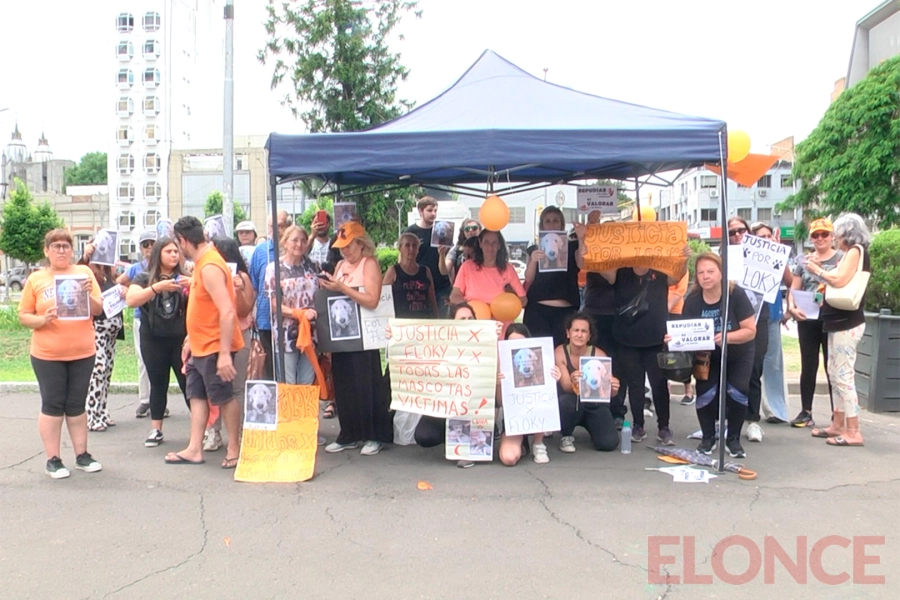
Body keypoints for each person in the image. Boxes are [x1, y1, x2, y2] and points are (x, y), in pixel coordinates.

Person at [18, 229, 104, 478]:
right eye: (55, 246)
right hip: (48, 355)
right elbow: (23, 315)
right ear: (46, 251)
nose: (61, 250)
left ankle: (82, 455)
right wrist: (42, 319)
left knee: (76, 404)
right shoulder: (37, 279)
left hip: (82, 352)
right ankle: (53, 459)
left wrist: (88, 293)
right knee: (53, 404)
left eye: (66, 246)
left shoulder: (84, 273)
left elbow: (98, 310)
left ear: (72, 250)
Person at [164, 216, 244, 468]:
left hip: (214, 347)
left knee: (224, 396)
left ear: (184, 241)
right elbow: (202, 307)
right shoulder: (201, 263)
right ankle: (194, 448)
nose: (178, 250)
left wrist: (222, 354)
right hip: (200, 346)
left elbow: (227, 311)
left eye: (178, 244)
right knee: (197, 395)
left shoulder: (209, 266)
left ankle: (234, 449)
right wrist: (190, 339)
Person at [600, 242, 690, 446]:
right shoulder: (621, 271)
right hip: (627, 337)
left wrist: (684, 259)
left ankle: (664, 427)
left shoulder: (659, 269)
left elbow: (676, 277)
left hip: (656, 337)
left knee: (659, 384)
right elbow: (605, 272)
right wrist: (598, 249)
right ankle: (638, 425)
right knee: (635, 385)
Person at [671, 252, 756, 458]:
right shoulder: (692, 300)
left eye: (710, 271)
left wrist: (726, 337)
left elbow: (750, 330)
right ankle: (708, 437)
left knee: (738, 391)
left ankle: (733, 439)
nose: (705, 276)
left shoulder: (736, 295)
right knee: (705, 394)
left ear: (721, 273)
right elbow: (685, 331)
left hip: (738, 352)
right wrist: (674, 338)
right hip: (707, 355)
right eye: (700, 272)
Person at [319, 222, 393, 455]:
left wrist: (341, 287)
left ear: (361, 244)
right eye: (342, 247)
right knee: (344, 386)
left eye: (349, 246)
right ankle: (349, 433)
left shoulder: (369, 264)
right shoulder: (340, 264)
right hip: (342, 337)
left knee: (367, 384)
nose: (345, 252)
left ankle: (373, 434)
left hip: (365, 338)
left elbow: (372, 299)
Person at [809, 214, 871, 447]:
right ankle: (839, 422)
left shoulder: (855, 250)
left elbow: (840, 279)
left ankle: (853, 430)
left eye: (836, 233)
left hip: (848, 321)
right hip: (838, 320)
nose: (834, 237)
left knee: (843, 375)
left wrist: (818, 269)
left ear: (847, 233)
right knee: (834, 372)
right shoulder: (850, 252)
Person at [125, 237, 190, 448]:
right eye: (168, 251)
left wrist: (194, 284)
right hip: (153, 337)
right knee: (158, 383)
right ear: (158, 254)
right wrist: (157, 288)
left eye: (176, 251)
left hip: (180, 337)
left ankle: (205, 428)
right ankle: (156, 429)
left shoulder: (186, 278)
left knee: (187, 383)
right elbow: (131, 300)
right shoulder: (144, 277)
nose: (173, 255)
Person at [787, 217, 841, 428]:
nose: (820, 239)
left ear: (832, 236)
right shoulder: (803, 261)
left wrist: (821, 270)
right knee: (808, 365)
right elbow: (794, 288)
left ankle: (837, 413)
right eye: (816, 235)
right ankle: (805, 411)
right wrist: (791, 307)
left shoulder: (840, 259)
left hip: (832, 317)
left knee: (832, 367)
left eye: (824, 234)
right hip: (808, 317)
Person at [206, 236, 257, 452]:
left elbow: (244, 310)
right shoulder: (208, 273)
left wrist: (237, 290)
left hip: (239, 335)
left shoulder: (242, 276)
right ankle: (213, 433)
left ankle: (238, 434)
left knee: (236, 387)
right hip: (212, 336)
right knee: (212, 389)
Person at [554, 313, 620, 453]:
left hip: (594, 405)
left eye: (584, 331)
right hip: (572, 401)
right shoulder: (560, 352)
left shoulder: (599, 355)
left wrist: (614, 388)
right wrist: (573, 380)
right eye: (576, 330)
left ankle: (594, 428)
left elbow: (610, 393)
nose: (579, 335)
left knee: (608, 443)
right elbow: (566, 386)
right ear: (568, 333)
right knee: (566, 402)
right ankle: (566, 435)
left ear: (589, 336)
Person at [523, 206, 586, 347]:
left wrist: (581, 238)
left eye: (555, 221)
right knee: (541, 355)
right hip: (538, 311)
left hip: (566, 310)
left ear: (562, 224)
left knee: (563, 353)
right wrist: (533, 260)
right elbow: (528, 278)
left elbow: (581, 264)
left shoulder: (572, 246)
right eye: (548, 221)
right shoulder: (534, 249)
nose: (552, 224)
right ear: (542, 225)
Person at [80, 240, 126, 431]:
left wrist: (122, 291)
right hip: (98, 327)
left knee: (107, 371)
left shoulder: (109, 273)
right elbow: (76, 276)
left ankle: (102, 410)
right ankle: (91, 415)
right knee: (98, 370)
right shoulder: (87, 272)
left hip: (112, 327)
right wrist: (84, 257)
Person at [264, 225, 319, 385]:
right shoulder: (273, 269)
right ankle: (289, 411)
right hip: (285, 333)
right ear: (285, 243)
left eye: (303, 240)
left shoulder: (313, 265)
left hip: (311, 330)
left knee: (307, 381)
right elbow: (274, 304)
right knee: (288, 382)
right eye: (294, 240)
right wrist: (299, 314)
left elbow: (322, 293)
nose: (299, 244)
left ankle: (305, 411)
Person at [749, 222, 791, 424]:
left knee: (773, 364)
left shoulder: (777, 257)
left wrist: (780, 256)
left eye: (768, 237)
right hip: (750, 317)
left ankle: (775, 410)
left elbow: (791, 282)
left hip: (772, 316)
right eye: (760, 237)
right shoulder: (748, 258)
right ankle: (750, 410)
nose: (765, 240)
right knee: (752, 366)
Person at [450, 229, 527, 335]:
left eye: (494, 242)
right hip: (474, 331)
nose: (490, 247)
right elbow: (454, 296)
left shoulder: (508, 269)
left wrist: (506, 304)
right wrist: (472, 309)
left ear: (499, 245)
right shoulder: (467, 267)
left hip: (502, 330)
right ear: (480, 243)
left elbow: (523, 300)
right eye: (486, 242)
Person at [117, 230, 156, 418]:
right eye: (145, 244)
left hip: (163, 320)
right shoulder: (135, 268)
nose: (149, 247)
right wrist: (125, 291)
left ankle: (158, 400)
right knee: (143, 360)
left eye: (152, 243)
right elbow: (119, 283)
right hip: (141, 317)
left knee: (161, 362)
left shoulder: (166, 265)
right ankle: (145, 400)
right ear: (140, 248)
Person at [250, 211, 291, 380]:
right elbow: (254, 286)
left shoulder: (296, 250)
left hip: (291, 320)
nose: (276, 230)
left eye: (280, 225)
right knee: (269, 369)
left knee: (288, 370)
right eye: (272, 226)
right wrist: (251, 311)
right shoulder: (260, 251)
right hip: (266, 319)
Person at [404, 196, 452, 314]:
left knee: (442, 324)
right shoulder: (411, 232)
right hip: (419, 285)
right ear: (420, 211)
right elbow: (403, 259)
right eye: (430, 210)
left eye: (435, 211)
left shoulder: (442, 230)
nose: (433, 214)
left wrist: (442, 253)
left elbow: (446, 267)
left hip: (441, 286)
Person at [384, 232, 438, 319]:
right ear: (400, 248)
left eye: (414, 245)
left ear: (418, 249)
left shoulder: (425, 271)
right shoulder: (393, 271)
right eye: (407, 245)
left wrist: (437, 319)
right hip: (401, 322)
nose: (411, 249)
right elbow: (384, 299)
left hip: (423, 321)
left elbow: (432, 299)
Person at [667, 271, 694, 406]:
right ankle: (665, 388)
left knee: (682, 352)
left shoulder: (680, 265)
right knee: (662, 351)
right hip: (657, 311)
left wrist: (666, 307)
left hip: (676, 311)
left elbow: (681, 290)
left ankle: (688, 390)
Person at [443, 218, 481, 283]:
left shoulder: (485, 247)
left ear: (480, 230)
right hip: (462, 285)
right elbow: (445, 269)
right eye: (467, 229)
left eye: (474, 228)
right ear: (463, 232)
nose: (471, 230)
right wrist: (442, 254)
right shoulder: (457, 249)